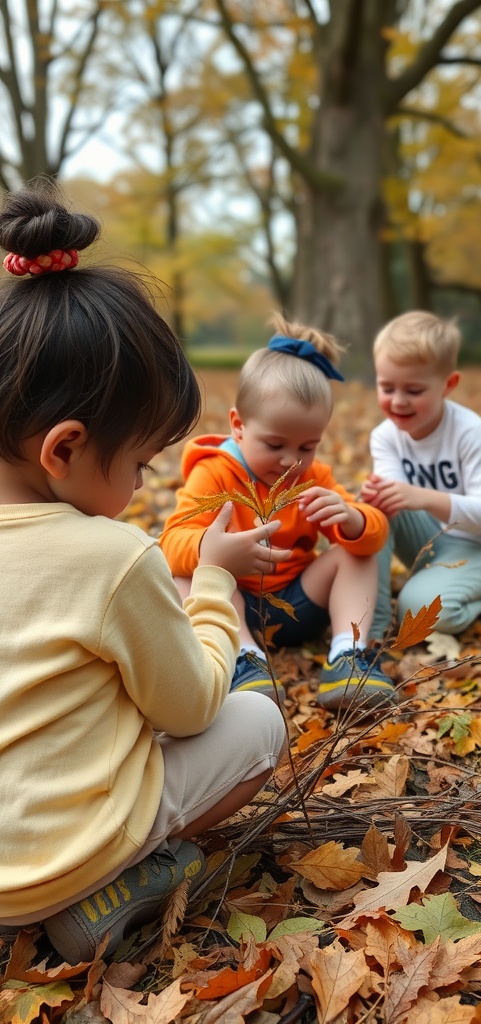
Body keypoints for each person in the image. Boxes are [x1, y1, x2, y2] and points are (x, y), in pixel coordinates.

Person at [0, 182, 288, 966]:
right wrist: (216, 584)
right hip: (72, 852)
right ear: (62, 449)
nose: (139, 488)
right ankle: (117, 885)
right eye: (136, 462)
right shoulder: (111, 556)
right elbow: (191, 707)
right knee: (259, 722)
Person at [160, 314, 396, 712]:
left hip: (299, 603)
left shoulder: (314, 477)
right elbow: (172, 543)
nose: (291, 460)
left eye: (307, 447)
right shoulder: (215, 472)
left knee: (354, 554)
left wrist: (353, 519)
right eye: (274, 444)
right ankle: (242, 659)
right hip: (234, 608)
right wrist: (212, 549)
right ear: (238, 426)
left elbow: (375, 536)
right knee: (186, 571)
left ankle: (348, 654)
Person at [360, 310, 481, 639]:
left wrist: (424, 497)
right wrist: (376, 497)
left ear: (448, 385)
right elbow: (393, 504)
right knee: (371, 509)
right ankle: (371, 627)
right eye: (387, 387)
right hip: (433, 542)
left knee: (417, 613)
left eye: (414, 390)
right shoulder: (385, 436)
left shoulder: (469, 431)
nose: (398, 402)